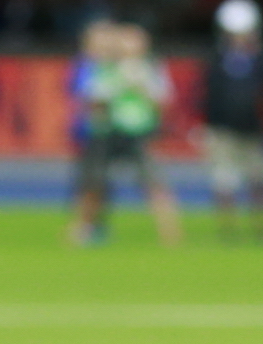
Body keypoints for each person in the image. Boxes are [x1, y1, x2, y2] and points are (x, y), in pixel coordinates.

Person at [71, 17, 184, 245]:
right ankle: (82, 229)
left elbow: (164, 101)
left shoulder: (151, 69)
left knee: (154, 184)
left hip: (139, 133)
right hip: (107, 132)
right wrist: (117, 85)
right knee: (94, 185)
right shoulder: (105, 67)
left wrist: (142, 86)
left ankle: (171, 236)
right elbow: (92, 101)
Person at [201, 0, 263, 234]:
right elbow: (209, 93)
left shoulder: (262, 59)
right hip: (222, 128)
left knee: (259, 179)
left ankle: (261, 226)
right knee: (223, 180)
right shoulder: (216, 58)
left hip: (254, 129)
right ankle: (228, 228)